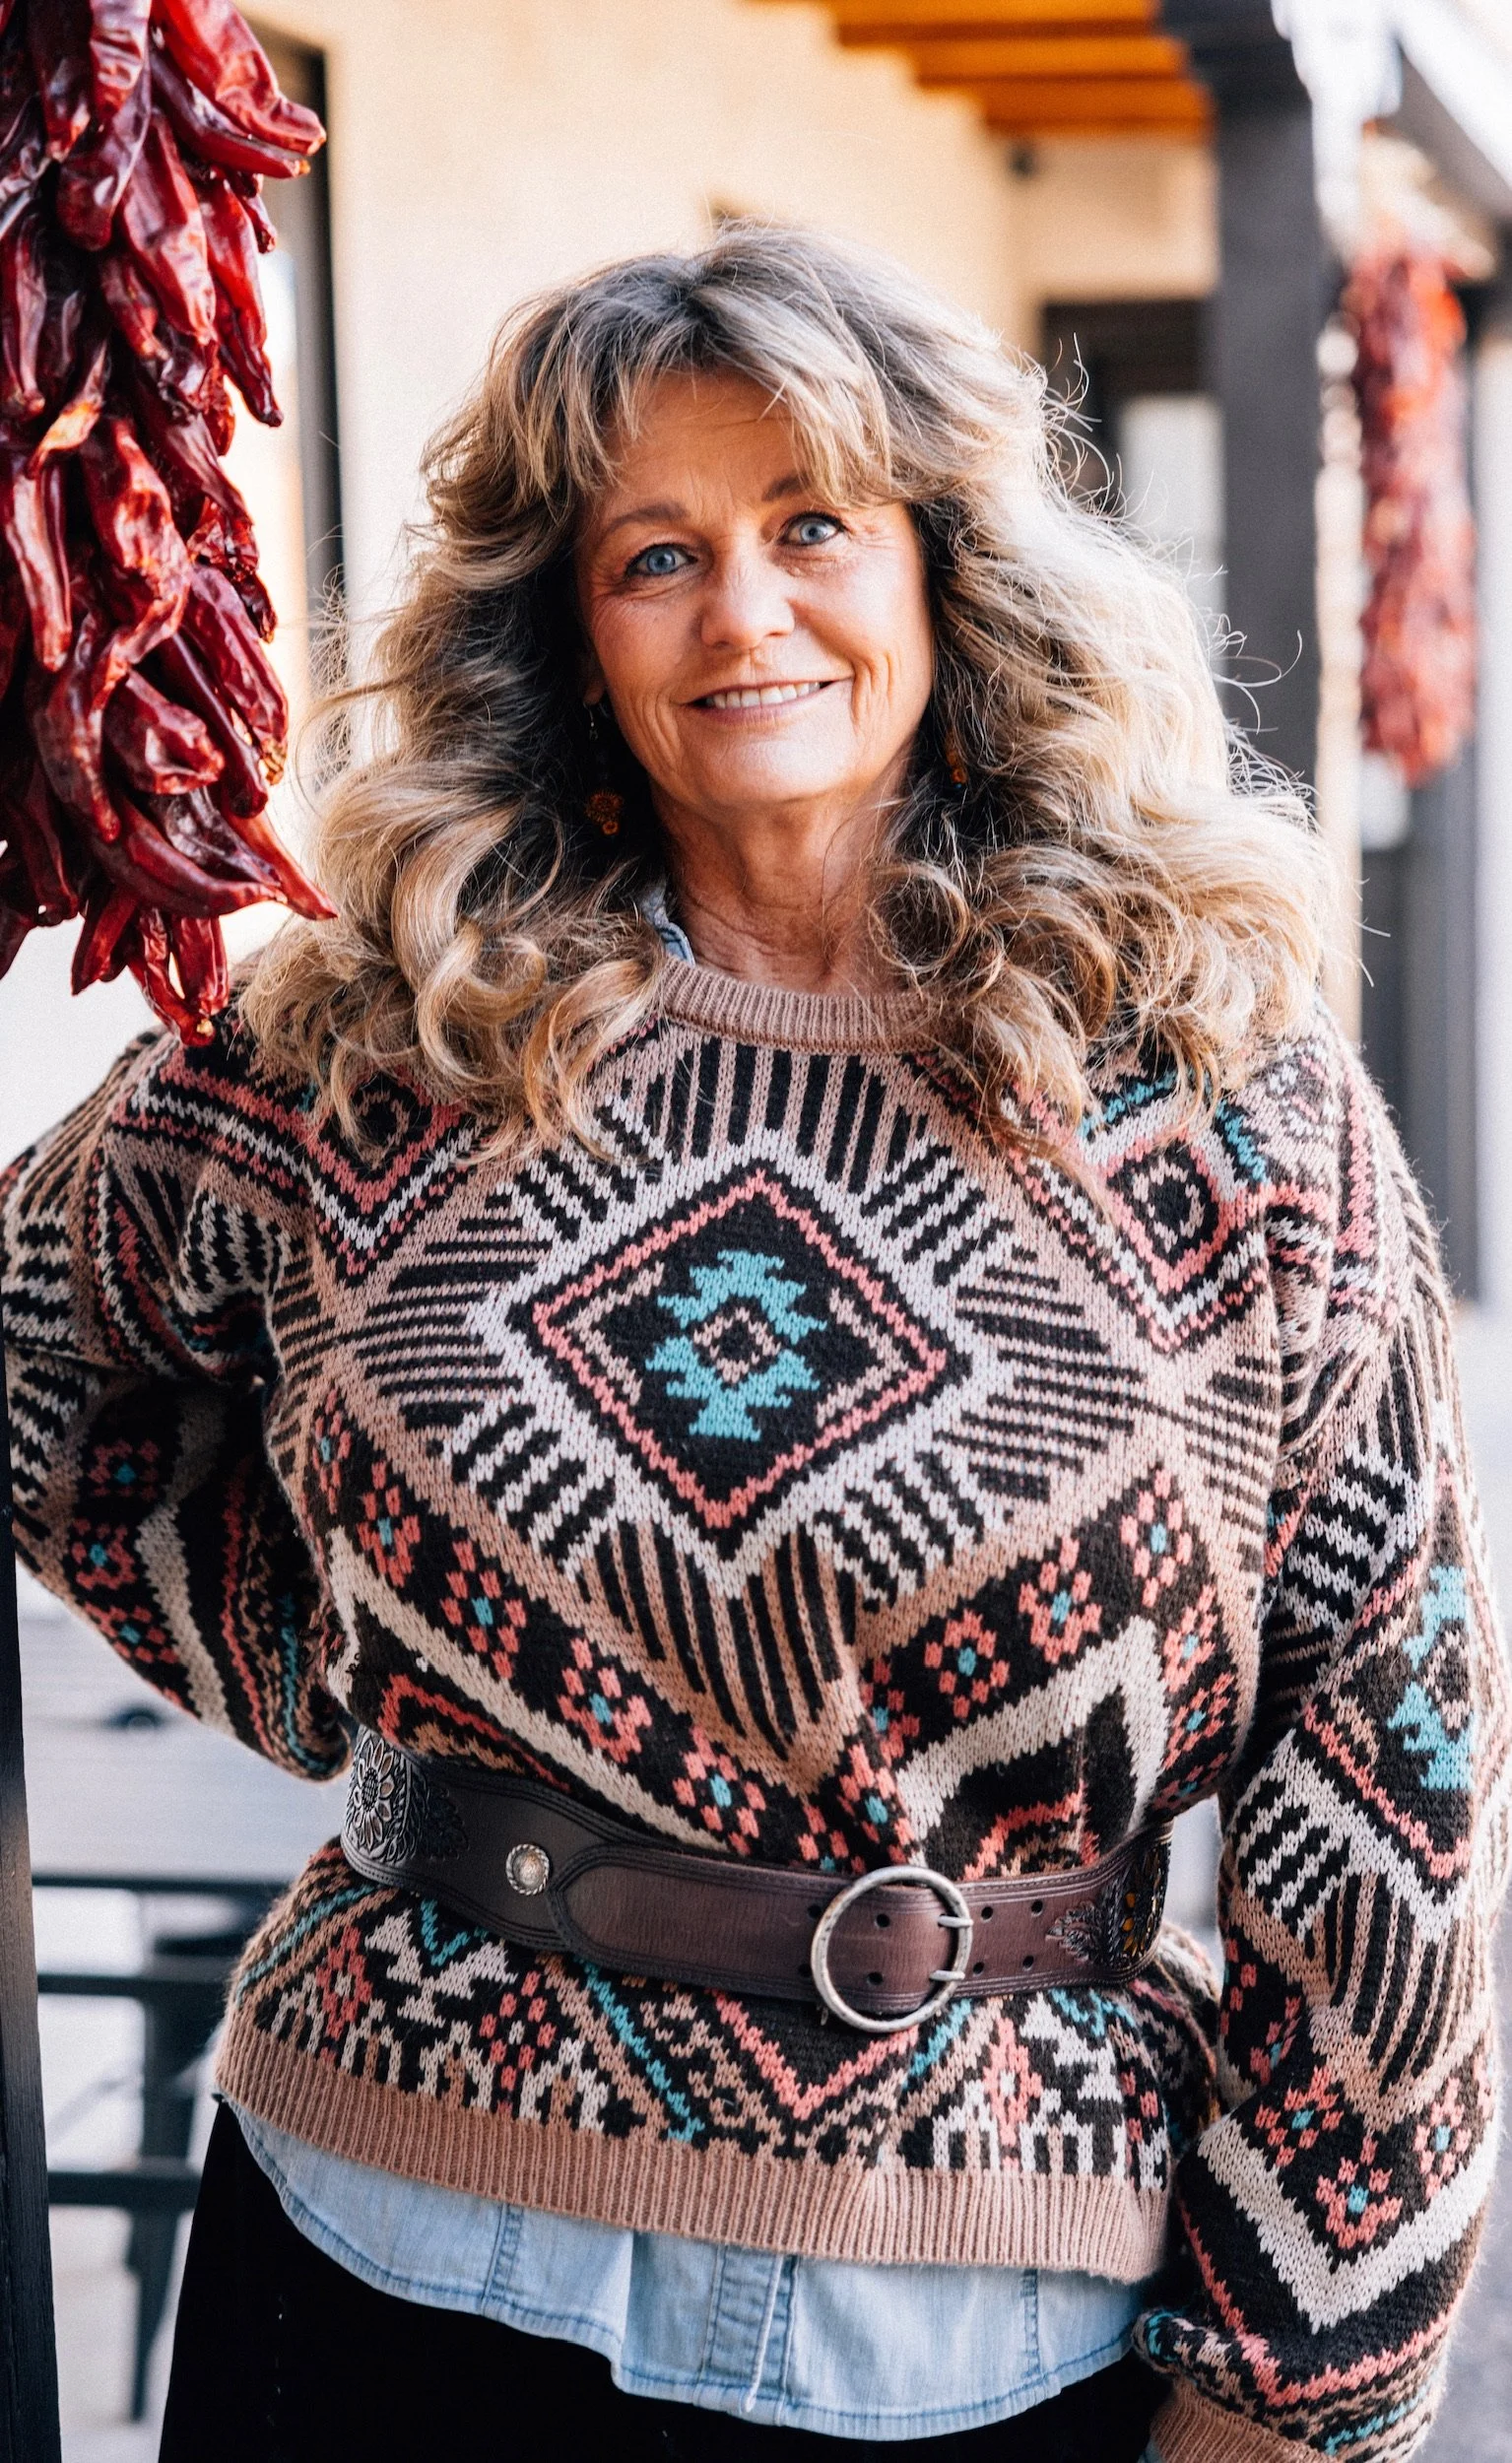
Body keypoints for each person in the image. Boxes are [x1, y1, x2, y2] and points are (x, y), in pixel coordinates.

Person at [3, 226, 1504, 2463]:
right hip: (382, 2238)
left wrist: (1295, 2384)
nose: (743, 612)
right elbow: (42, 1350)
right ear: (564, 625)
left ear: (942, 562)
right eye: (654, 554)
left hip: (985, 2319)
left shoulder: (1230, 1094)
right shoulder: (373, 1036)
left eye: (813, 523)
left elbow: (1391, 1762)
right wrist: (336, 1657)